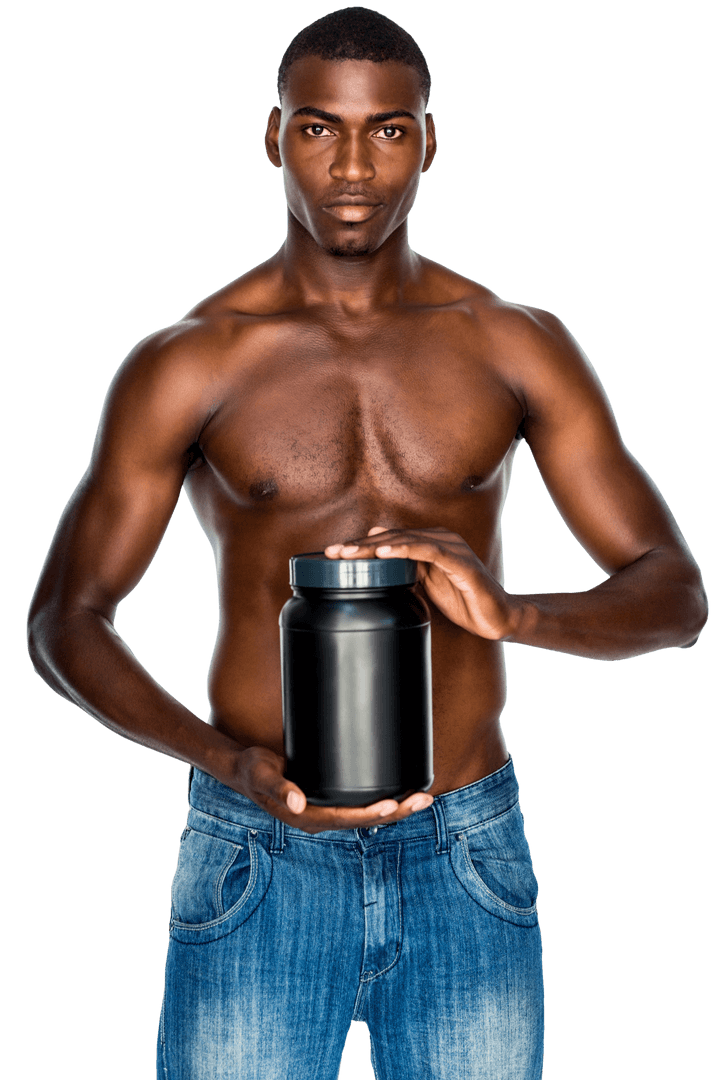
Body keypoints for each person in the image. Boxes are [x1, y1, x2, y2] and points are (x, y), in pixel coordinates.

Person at [26, 7, 708, 1079]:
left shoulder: (513, 342)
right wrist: (222, 762)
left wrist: (514, 611)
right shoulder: (192, 362)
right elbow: (65, 620)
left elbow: (674, 590)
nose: (353, 166)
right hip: (261, 840)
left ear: (430, 141)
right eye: (318, 128)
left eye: (388, 131)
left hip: (466, 844)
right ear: (273, 136)